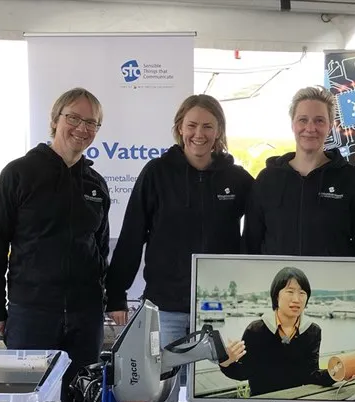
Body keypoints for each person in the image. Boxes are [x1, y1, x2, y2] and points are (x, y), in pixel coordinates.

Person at [0, 87, 110, 399]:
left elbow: (100, 247)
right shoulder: (19, 174)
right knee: (28, 400)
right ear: (55, 121)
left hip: (85, 315)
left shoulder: (96, 184)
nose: (82, 128)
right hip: (32, 313)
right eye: (74, 118)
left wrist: (103, 299)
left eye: (91, 123)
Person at [105, 94, 254, 349]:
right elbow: (132, 234)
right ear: (180, 128)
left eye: (208, 126)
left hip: (218, 309)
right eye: (192, 125)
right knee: (165, 387)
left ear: (218, 131)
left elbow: (262, 228)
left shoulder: (237, 179)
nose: (199, 133)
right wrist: (117, 295)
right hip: (166, 308)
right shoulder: (156, 173)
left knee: (210, 386)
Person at [243, 86, 355, 257]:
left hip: (332, 282)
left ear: (330, 126)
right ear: (293, 124)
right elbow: (250, 245)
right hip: (280, 283)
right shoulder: (267, 179)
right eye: (303, 120)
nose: (310, 128)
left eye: (319, 120)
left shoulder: (351, 178)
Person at [219, 267, 334, 396]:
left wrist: (339, 373)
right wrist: (226, 361)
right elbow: (244, 372)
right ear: (276, 295)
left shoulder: (312, 331)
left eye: (302, 293)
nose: (296, 299)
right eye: (290, 291)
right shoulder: (256, 330)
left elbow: (310, 374)